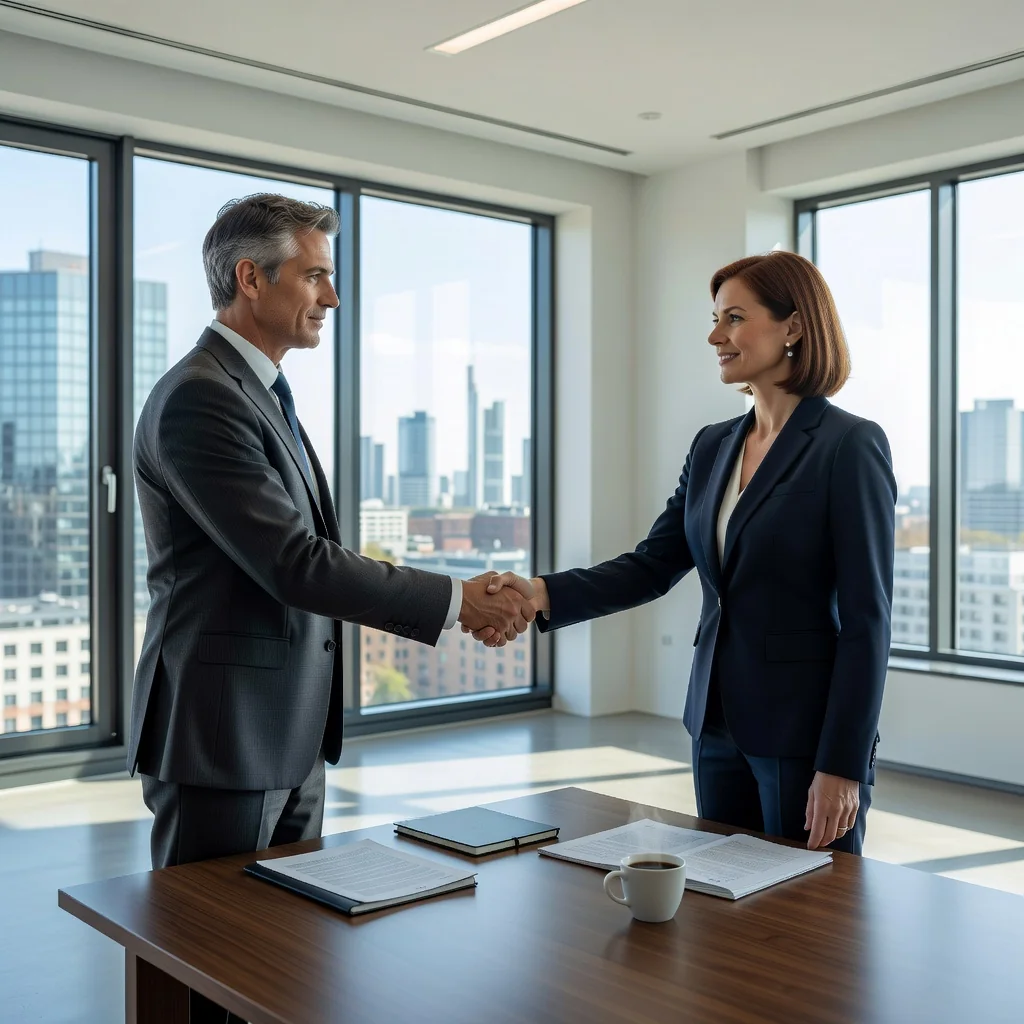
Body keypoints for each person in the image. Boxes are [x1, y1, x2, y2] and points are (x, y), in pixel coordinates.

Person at [130, 193, 531, 1023]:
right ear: (251, 277)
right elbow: (295, 563)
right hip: (222, 733)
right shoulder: (201, 398)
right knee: (211, 962)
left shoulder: (259, 390)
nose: (333, 298)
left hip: (288, 728)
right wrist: (460, 600)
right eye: (316, 276)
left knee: (281, 959)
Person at [473, 251, 895, 856]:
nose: (715, 335)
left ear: (794, 327)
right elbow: (653, 563)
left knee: (811, 925)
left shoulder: (849, 445)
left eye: (734, 318)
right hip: (715, 723)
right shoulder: (713, 445)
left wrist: (843, 764)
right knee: (727, 909)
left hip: (805, 737)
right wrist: (539, 593)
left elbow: (867, 622)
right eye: (715, 318)